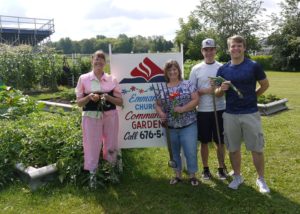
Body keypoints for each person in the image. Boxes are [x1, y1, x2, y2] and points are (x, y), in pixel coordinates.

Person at [215, 35, 270, 193]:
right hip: (231, 114)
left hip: (250, 113)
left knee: (257, 148)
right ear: (229, 48)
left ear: (244, 48)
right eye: (233, 46)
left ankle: (261, 179)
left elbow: (265, 85)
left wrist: (253, 97)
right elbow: (217, 93)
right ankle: (237, 176)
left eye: (239, 45)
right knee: (233, 148)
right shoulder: (223, 69)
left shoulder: (253, 66)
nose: (236, 48)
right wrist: (221, 89)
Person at [75, 50, 123, 189]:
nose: (99, 63)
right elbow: (79, 103)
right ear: (92, 61)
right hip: (91, 117)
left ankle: (111, 174)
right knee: (91, 145)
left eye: (101, 61)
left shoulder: (111, 79)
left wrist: (107, 97)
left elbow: (120, 102)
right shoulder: (83, 79)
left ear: (105, 64)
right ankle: (93, 178)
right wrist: (89, 97)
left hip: (110, 116)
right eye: (96, 60)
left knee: (111, 144)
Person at [155, 60, 200, 186]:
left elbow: (196, 100)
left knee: (190, 150)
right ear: (166, 73)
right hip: (170, 127)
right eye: (170, 70)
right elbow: (157, 104)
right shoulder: (163, 88)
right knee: (174, 151)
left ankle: (192, 175)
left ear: (179, 71)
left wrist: (182, 109)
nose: (172, 72)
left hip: (188, 124)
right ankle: (177, 175)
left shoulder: (187, 84)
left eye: (175, 69)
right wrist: (161, 113)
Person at [189, 38, 227, 180]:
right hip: (203, 110)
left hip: (220, 109)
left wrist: (218, 89)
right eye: (206, 49)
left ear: (215, 50)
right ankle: (205, 169)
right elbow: (191, 91)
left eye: (211, 49)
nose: (209, 52)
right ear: (202, 51)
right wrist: (207, 90)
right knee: (204, 141)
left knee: (220, 141)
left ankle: (221, 167)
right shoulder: (196, 69)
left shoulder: (222, 67)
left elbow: (225, 87)